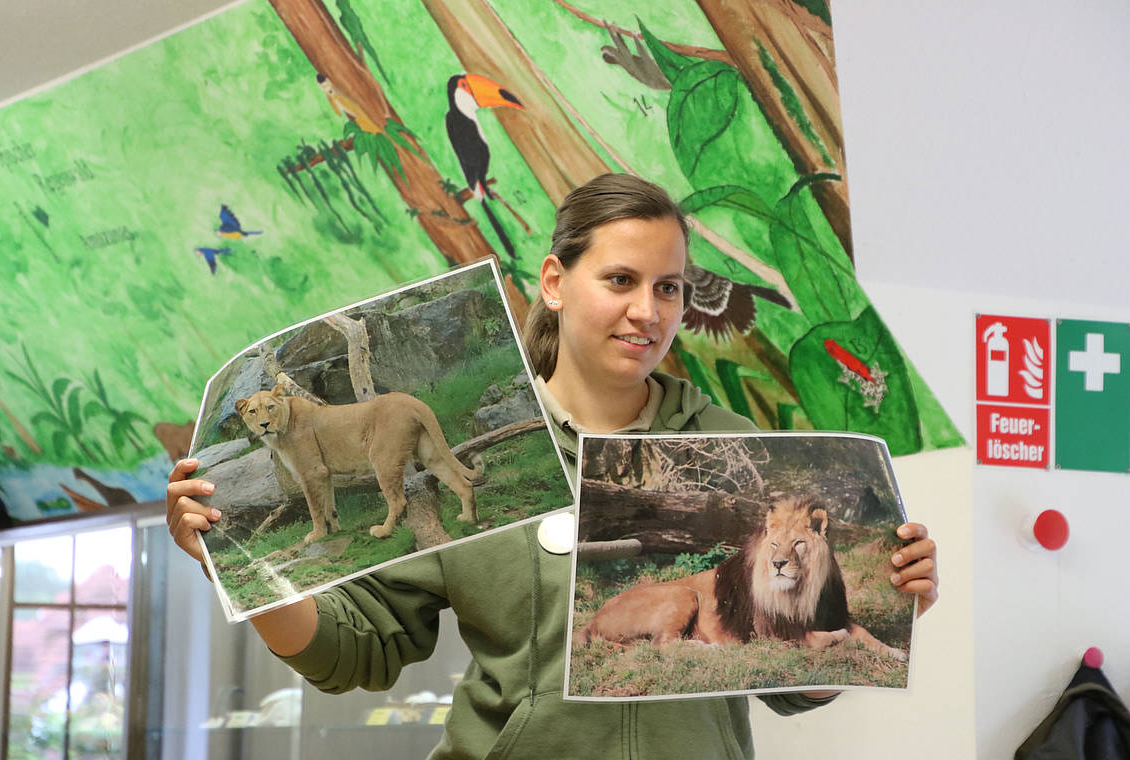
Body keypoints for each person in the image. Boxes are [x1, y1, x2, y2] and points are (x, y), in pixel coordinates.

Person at [167, 173, 939, 759]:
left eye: (668, 289)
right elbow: (354, 650)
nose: (649, 311)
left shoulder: (733, 439)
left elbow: (786, 677)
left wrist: (891, 612)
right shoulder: (498, 440)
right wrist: (235, 569)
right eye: (621, 280)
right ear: (554, 282)